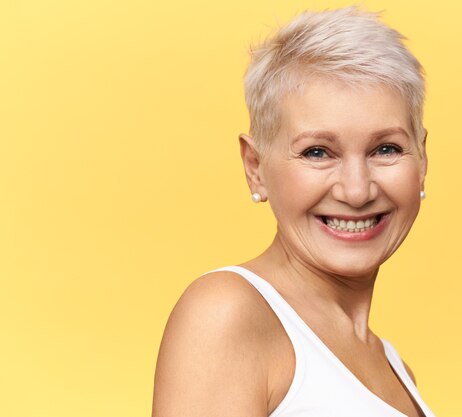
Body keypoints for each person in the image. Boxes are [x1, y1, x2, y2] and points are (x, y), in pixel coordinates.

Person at [152, 6, 434, 417]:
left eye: (385, 149)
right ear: (255, 168)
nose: (356, 190)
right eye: (317, 152)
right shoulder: (226, 315)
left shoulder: (396, 370)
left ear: (422, 160)